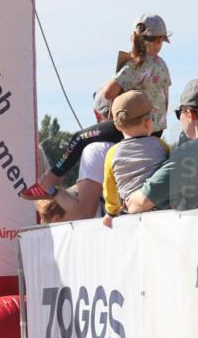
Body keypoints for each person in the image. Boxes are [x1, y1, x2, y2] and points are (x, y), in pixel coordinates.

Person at [22, 14, 171, 199]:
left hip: (136, 124)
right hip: (156, 129)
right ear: (160, 40)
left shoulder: (136, 65)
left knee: (79, 138)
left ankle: (48, 182)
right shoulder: (162, 65)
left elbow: (108, 93)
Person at [127, 78, 198, 213]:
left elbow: (140, 202)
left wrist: (124, 201)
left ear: (190, 114)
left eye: (178, 113)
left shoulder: (191, 153)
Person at [101, 91, 169, 227]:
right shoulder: (160, 145)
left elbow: (109, 188)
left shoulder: (112, 153)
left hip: (132, 214)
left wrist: (111, 212)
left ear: (117, 125)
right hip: (163, 210)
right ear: (148, 122)